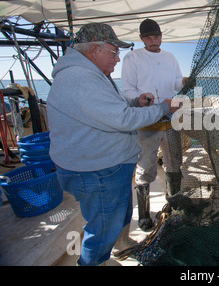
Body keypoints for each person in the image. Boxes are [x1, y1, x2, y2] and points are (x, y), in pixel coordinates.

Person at [46, 23, 179, 266]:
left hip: (108, 166)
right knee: (102, 229)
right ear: (94, 49)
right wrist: (163, 108)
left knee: (117, 214)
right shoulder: (80, 78)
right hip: (97, 171)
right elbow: (123, 119)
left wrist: (135, 100)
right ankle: (94, 261)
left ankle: (121, 244)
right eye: (113, 52)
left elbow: (113, 104)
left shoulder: (91, 73)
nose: (118, 59)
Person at [121, 19, 192, 231]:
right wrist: (140, 97)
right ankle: (143, 216)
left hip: (170, 119)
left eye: (156, 37)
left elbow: (176, 82)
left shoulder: (170, 57)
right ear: (142, 39)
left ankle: (174, 206)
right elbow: (127, 90)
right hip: (147, 121)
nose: (153, 41)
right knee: (145, 167)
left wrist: (185, 82)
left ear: (161, 36)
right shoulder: (132, 58)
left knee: (174, 162)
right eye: (148, 38)